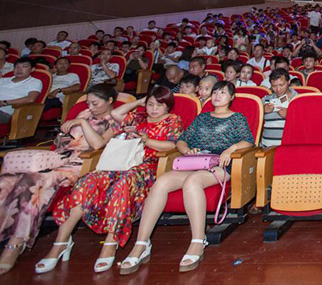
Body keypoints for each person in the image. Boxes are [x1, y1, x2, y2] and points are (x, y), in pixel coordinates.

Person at [40, 87, 183, 273]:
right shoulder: (137, 118)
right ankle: (61, 242)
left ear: (168, 106)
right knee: (88, 181)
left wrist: (145, 139)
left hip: (148, 166)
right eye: (150, 104)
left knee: (123, 183)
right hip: (120, 163)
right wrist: (140, 102)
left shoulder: (172, 120)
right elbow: (116, 112)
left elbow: (172, 145)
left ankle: (110, 241)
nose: (154, 109)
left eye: (159, 105)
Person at [120, 81, 254, 274]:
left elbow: (248, 141)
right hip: (195, 161)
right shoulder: (202, 118)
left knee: (193, 182)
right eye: (215, 92)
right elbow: (181, 140)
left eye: (223, 92)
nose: (217, 95)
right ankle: (141, 244)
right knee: (162, 183)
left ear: (231, 97)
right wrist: (187, 151)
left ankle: (198, 240)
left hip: (221, 164)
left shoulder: (237, 118)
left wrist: (230, 149)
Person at [0, 83, 120, 275]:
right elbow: (59, 144)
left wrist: (82, 123)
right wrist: (74, 124)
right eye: (87, 102)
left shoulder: (115, 120)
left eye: (95, 103)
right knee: (5, 181)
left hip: (82, 165)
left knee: (31, 183)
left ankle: (16, 243)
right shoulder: (84, 115)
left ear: (109, 101)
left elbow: (97, 145)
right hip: (58, 160)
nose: (89, 107)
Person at [0, 58, 43, 124]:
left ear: (32, 69)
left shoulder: (35, 82)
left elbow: (30, 99)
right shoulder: (3, 80)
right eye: (17, 67)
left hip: (5, 113)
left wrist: (4, 103)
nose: (19, 69)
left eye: (24, 66)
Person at [261, 69, 296, 146]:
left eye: (281, 85)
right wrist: (262, 110)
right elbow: (252, 118)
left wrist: (290, 115)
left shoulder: (298, 99)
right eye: (274, 86)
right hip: (265, 146)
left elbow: (306, 125)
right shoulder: (266, 99)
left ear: (288, 82)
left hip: (289, 147)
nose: (278, 89)